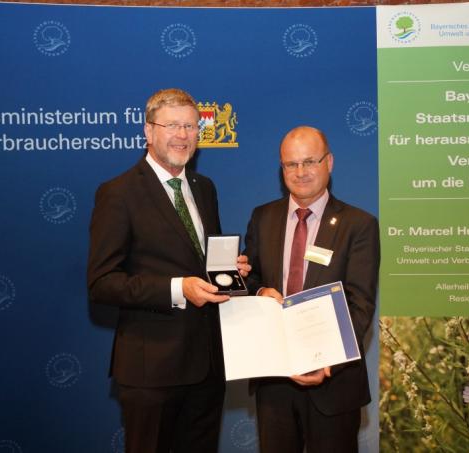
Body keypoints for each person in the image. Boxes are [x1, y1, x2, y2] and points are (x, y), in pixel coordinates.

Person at [87, 88, 250, 453]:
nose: (183, 135)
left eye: (191, 126)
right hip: (152, 371)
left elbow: (198, 262)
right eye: (172, 125)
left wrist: (227, 269)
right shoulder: (118, 193)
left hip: (207, 367)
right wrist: (179, 289)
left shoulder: (204, 188)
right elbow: (102, 283)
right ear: (148, 131)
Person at [243, 126, 380, 453]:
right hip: (274, 379)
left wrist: (325, 361)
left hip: (332, 384)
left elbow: (359, 304)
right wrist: (260, 291)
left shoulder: (358, 225)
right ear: (282, 169)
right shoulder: (263, 217)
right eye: (291, 164)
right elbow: (250, 280)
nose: (300, 172)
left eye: (310, 162)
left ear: (329, 162)